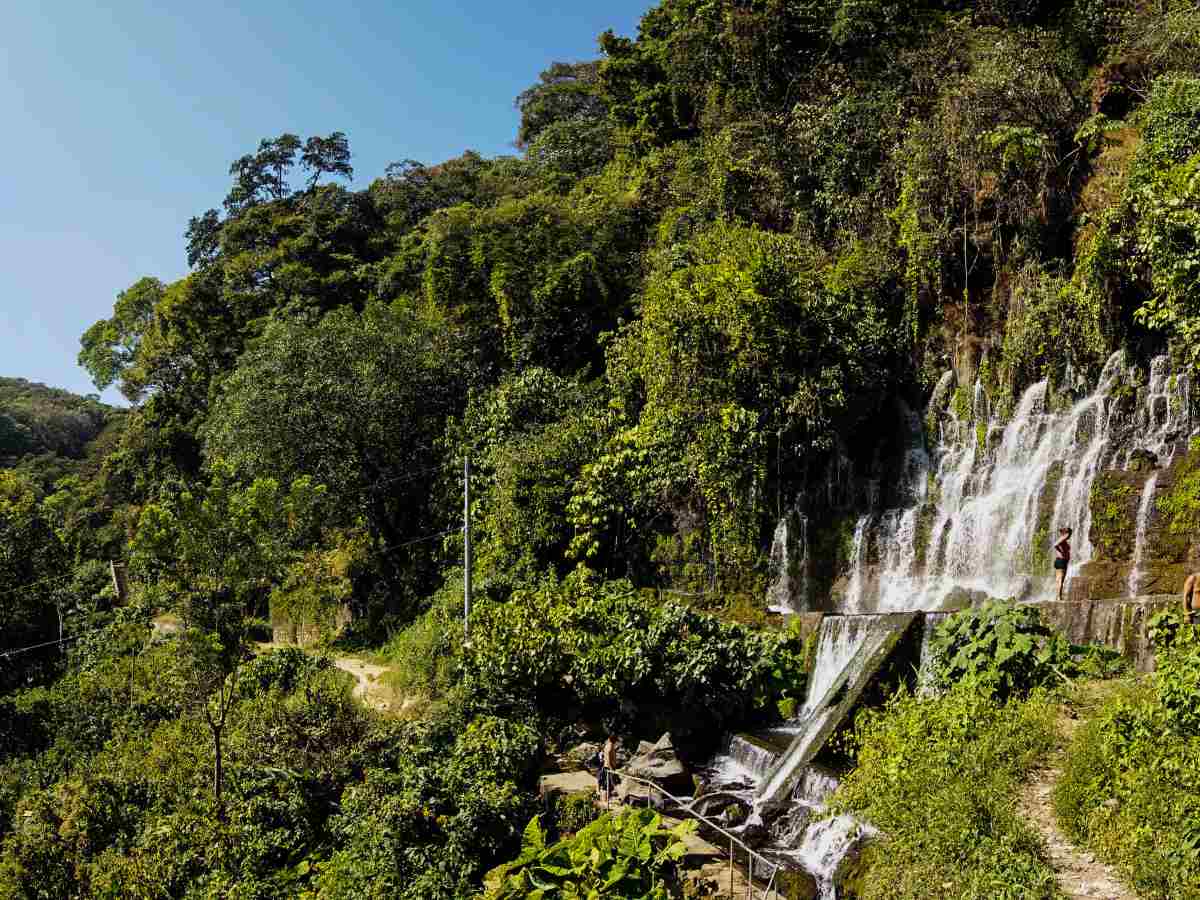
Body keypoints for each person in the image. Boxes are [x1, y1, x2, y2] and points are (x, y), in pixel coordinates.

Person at [1054, 526, 1072, 601]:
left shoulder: (1062, 539)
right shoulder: (1064, 537)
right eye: (1070, 533)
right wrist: (1062, 553)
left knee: (1058, 580)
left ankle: (1058, 596)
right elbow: (1055, 544)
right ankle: (1059, 597)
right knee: (1060, 580)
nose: (1070, 535)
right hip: (1061, 561)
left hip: (1060, 561)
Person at [598, 734, 618, 804]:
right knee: (606, 785)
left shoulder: (607, 745)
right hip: (608, 768)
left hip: (607, 767)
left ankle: (604, 800)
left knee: (606, 784)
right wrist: (611, 768)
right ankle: (605, 801)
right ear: (614, 740)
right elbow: (608, 758)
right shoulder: (610, 746)